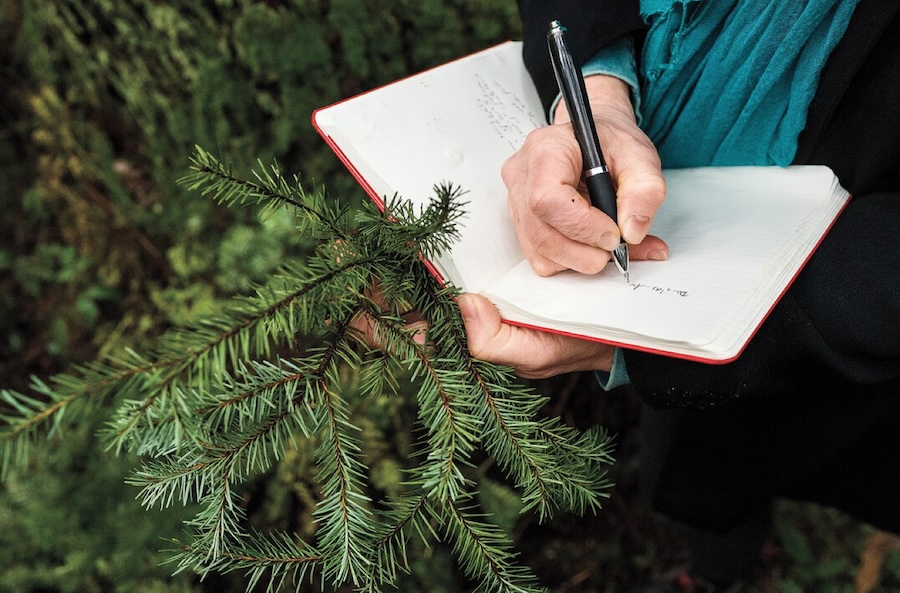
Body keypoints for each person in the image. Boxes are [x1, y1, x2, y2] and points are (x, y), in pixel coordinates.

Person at [455, 0, 900, 590]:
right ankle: (715, 563)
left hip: (835, 320)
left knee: (755, 443)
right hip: (677, 265)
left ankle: (721, 571)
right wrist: (598, 93)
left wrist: (670, 342)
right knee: (692, 462)